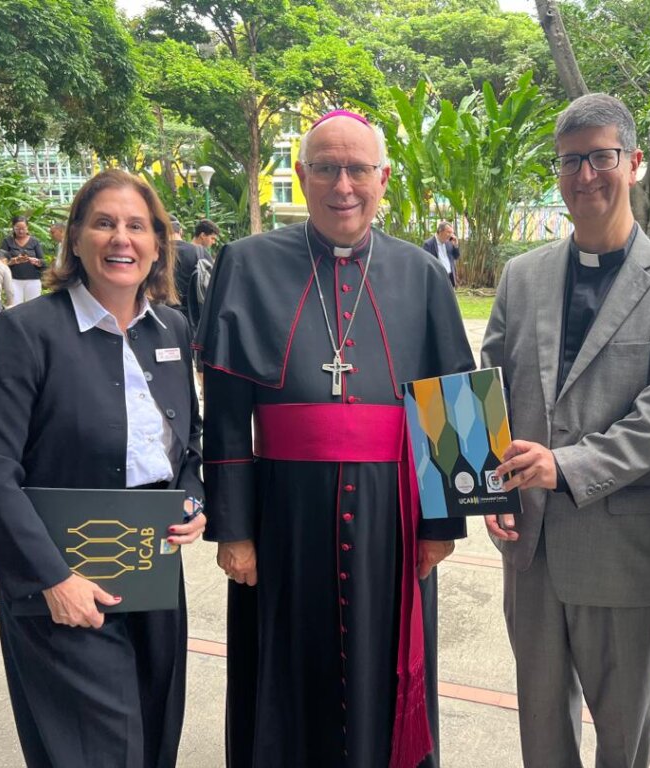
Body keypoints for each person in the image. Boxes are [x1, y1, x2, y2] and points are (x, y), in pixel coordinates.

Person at [195, 109, 474, 767]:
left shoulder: (422, 273)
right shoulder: (246, 263)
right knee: (286, 676)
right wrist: (234, 530)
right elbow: (227, 410)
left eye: (357, 170)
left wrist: (443, 526)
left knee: (385, 669)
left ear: (383, 178)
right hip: (283, 517)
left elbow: (455, 399)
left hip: (392, 521)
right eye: (326, 169)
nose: (342, 185)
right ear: (302, 175)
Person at [481, 93, 650, 768]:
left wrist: (563, 466)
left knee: (623, 734)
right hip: (528, 546)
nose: (585, 175)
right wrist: (484, 489)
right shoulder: (522, 277)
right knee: (541, 729)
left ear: (635, 162)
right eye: (570, 161)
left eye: (601, 157)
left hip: (622, 550)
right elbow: (489, 387)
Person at [0, 169, 206, 767]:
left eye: (137, 226)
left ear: (157, 245)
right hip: (62, 578)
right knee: (97, 749)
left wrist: (194, 499)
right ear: (74, 238)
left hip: (152, 571)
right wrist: (51, 579)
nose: (121, 239)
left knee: (154, 735)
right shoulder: (27, 333)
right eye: (104, 223)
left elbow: (189, 441)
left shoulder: (172, 329)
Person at [170, 216, 208, 324]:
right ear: (180, 231)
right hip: (195, 321)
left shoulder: (153, 254)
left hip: (161, 322)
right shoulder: (200, 253)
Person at [0, 215, 45, 304]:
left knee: (33, 306)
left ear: (27, 227)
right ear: (13, 227)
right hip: (13, 280)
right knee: (15, 306)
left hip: (33, 280)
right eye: (17, 229)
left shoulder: (35, 241)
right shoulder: (7, 241)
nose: (20, 231)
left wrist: (37, 262)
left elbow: (43, 261)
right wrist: (14, 261)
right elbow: (0, 262)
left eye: (23, 228)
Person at [422, 221, 461, 286]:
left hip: (449, 276)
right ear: (440, 231)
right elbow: (425, 263)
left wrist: (456, 246)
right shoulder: (428, 244)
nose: (451, 235)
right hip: (437, 277)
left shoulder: (450, 242)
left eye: (452, 233)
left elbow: (456, 256)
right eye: (448, 232)